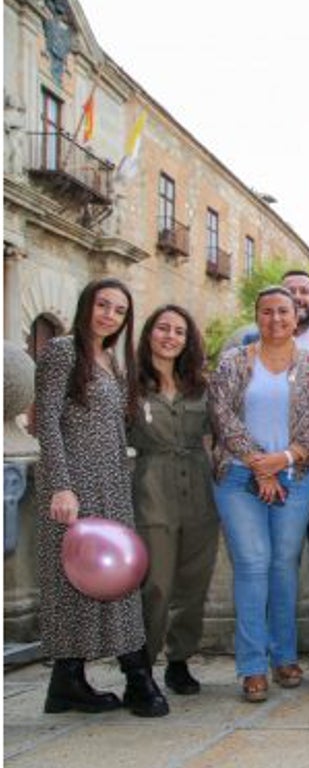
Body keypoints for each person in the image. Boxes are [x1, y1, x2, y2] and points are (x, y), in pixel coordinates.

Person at [35, 278, 169, 718]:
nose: (109, 315)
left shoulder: (112, 359)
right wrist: (61, 485)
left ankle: (66, 681)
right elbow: (48, 422)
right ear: (86, 306)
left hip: (110, 481)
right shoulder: (62, 351)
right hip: (73, 484)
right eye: (103, 305)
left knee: (112, 578)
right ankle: (135, 676)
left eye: (119, 310)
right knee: (74, 582)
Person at [210, 286, 309, 702]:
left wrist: (283, 459)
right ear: (257, 316)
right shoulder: (232, 363)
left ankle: (284, 655)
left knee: (284, 565)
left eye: (284, 311)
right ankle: (252, 665)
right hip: (239, 478)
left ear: (296, 317)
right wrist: (260, 463)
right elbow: (222, 415)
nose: (276, 319)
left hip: (296, 476)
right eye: (267, 312)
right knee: (252, 564)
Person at [242, 269, 309, 658]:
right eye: (291, 291)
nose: (299, 297)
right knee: (265, 554)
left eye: (305, 290)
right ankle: (268, 633)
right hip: (256, 466)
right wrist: (261, 461)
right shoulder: (250, 343)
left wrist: (297, 451)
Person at [130, 304, 218, 697]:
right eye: (163, 329)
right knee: (157, 585)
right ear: (150, 333)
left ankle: (180, 660)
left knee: (194, 583)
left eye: (179, 331)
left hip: (199, 490)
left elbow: (222, 434)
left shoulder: (200, 385)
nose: (170, 337)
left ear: (188, 340)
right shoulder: (129, 385)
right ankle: (142, 667)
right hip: (153, 490)